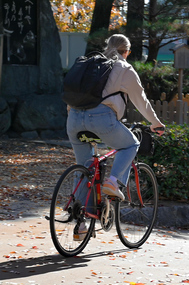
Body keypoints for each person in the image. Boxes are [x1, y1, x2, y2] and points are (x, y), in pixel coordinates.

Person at [66, 34, 165, 212]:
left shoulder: (91, 64)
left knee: (84, 168)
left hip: (73, 118)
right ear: (127, 51)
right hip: (101, 120)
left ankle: (80, 219)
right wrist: (155, 122)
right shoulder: (123, 68)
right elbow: (140, 100)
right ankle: (113, 182)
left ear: (107, 46)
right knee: (130, 144)